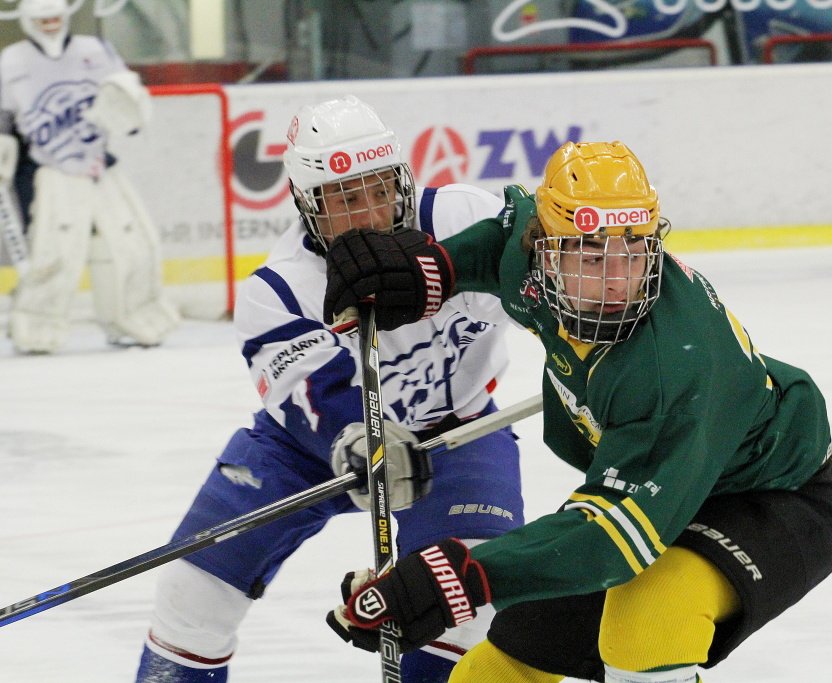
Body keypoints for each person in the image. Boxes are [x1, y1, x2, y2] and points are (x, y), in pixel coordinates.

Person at [321, 141, 832, 682]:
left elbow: (613, 536)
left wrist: (459, 577)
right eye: (593, 258)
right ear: (545, 253)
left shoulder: (670, 367)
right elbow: (501, 240)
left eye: (635, 254)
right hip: (660, 478)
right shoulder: (532, 260)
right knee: (504, 660)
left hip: (766, 496)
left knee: (646, 621)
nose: (617, 281)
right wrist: (433, 269)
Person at [133, 96, 524, 683]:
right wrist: (358, 439)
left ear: (402, 180)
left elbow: (549, 276)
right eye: (344, 198)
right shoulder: (279, 290)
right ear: (307, 204)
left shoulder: (466, 218)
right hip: (307, 452)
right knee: (192, 592)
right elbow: (320, 397)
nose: (369, 213)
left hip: (456, 433)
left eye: (380, 189)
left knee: (463, 603)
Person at [0, 0, 179, 353]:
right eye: (42, 18)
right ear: (27, 20)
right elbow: (4, 113)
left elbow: (126, 96)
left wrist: (131, 107)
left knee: (136, 244)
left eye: (55, 16)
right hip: (51, 170)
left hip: (99, 164)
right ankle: (35, 327)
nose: (50, 23)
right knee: (54, 252)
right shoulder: (12, 60)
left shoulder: (94, 50)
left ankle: (135, 319)